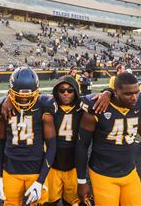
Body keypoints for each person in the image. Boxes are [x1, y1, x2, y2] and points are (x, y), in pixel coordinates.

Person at [76, 72, 141, 206]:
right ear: (115, 92)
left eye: (136, 92)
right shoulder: (97, 106)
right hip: (103, 174)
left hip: (130, 170)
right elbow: (82, 145)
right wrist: (81, 181)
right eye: (128, 94)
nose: (134, 97)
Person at [0, 67, 57, 205]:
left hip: (36, 170)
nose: (23, 100)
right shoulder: (3, 106)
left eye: (28, 95)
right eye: (19, 95)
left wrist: (40, 181)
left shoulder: (44, 105)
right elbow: (1, 141)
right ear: (11, 91)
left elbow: (52, 146)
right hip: (10, 170)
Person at [47, 76, 111, 205]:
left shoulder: (83, 105)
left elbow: (113, 93)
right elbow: (26, 95)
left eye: (70, 90)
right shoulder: (49, 105)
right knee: (49, 202)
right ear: (56, 92)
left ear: (76, 91)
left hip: (74, 165)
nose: (66, 93)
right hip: (52, 165)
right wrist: (9, 97)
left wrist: (107, 92)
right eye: (62, 90)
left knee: (72, 202)